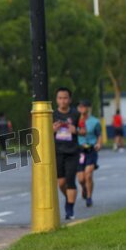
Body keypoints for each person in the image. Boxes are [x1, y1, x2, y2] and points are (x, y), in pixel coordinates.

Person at [53, 87, 84, 220]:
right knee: (61, 182)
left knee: (70, 180)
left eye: (65, 98)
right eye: (60, 98)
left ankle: (69, 208)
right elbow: (43, 132)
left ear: (70, 100)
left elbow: (84, 131)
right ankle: (69, 197)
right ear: (56, 100)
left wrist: (75, 130)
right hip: (58, 152)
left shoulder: (76, 114)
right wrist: (52, 129)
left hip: (72, 152)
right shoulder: (52, 115)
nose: (63, 101)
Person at [75, 100, 101, 208]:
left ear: (89, 108)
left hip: (91, 150)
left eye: (84, 106)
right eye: (80, 106)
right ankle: (84, 188)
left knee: (88, 174)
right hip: (79, 151)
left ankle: (89, 197)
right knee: (81, 179)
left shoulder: (95, 122)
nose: (81, 109)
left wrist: (98, 144)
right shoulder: (74, 121)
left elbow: (99, 135)